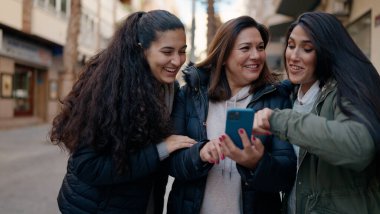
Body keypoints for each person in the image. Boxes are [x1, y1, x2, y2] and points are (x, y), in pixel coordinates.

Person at [50, 10, 196, 214]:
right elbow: (88, 166)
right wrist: (160, 150)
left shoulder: (169, 89)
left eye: (182, 51)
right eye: (167, 51)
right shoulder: (111, 89)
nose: (177, 60)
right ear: (141, 50)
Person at [167, 16, 297, 214]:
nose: (256, 56)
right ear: (224, 55)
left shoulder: (277, 99)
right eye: (245, 48)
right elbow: (172, 163)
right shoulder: (190, 94)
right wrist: (200, 154)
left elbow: (286, 175)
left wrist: (256, 162)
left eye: (260, 47)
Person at [253, 12, 380, 214]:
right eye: (291, 45)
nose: (293, 56)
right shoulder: (289, 96)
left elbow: (359, 146)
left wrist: (281, 121)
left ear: (326, 52)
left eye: (307, 49)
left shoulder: (347, 91)